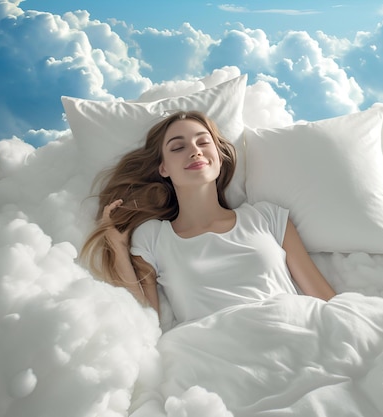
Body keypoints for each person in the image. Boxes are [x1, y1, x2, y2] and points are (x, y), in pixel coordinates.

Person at [81, 110, 335, 322]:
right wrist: (117, 246)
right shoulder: (153, 238)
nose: (195, 151)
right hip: (215, 359)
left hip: (295, 336)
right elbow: (144, 322)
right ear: (163, 168)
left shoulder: (266, 217)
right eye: (178, 147)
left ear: (220, 157)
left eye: (203, 142)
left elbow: (325, 299)